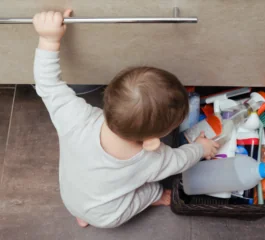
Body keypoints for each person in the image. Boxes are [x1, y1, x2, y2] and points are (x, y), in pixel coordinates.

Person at [32, 9, 219, 228]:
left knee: (92, 199)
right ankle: (154, 199)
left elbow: (48, 85)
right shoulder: (152, 159)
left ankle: (82, 216)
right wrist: (201, 148)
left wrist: (48, 39)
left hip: (72, 198)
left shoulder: (75, 118)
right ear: (151, 141)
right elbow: (180, 160)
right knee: (153, 188)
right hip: (108, 216)